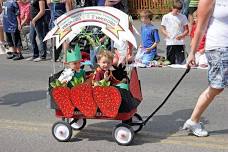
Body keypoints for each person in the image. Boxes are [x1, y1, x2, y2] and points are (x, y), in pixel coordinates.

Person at [183, 0, 228, 137]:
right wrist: (192, 52)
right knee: (216, 87)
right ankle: (193, 120)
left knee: (217, 87)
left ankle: (193, 120)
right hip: (219, 48)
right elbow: (200, 27)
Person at [161, 0, 189, 65]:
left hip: (180, 42)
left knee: (181, 62)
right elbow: (162, 29)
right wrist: (167, 34)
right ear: (172, 8)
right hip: (170, 42)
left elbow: (187, 30)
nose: (178, 12)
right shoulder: (166, 17)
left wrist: (181, 36)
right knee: (170, 62)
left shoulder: (183, 17)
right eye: (176, 11)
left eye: (179, 11)